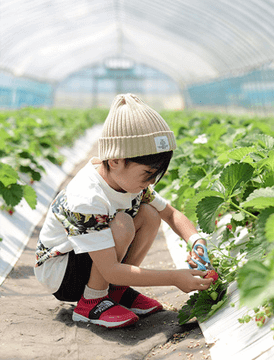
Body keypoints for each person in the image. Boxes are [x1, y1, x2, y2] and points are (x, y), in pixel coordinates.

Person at [34, 93, 213, 328]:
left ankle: (116, 293)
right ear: (116, 160)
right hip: (61, 271)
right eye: (148, 174)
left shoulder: (130, 184)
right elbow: (111, 269)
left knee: (149, 214)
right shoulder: (87, 197)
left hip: (92, 260)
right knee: (122, 223)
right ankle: (92, 303)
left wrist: (196, 240)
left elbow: (170, 214)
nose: (151, 182)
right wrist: (173, 277)